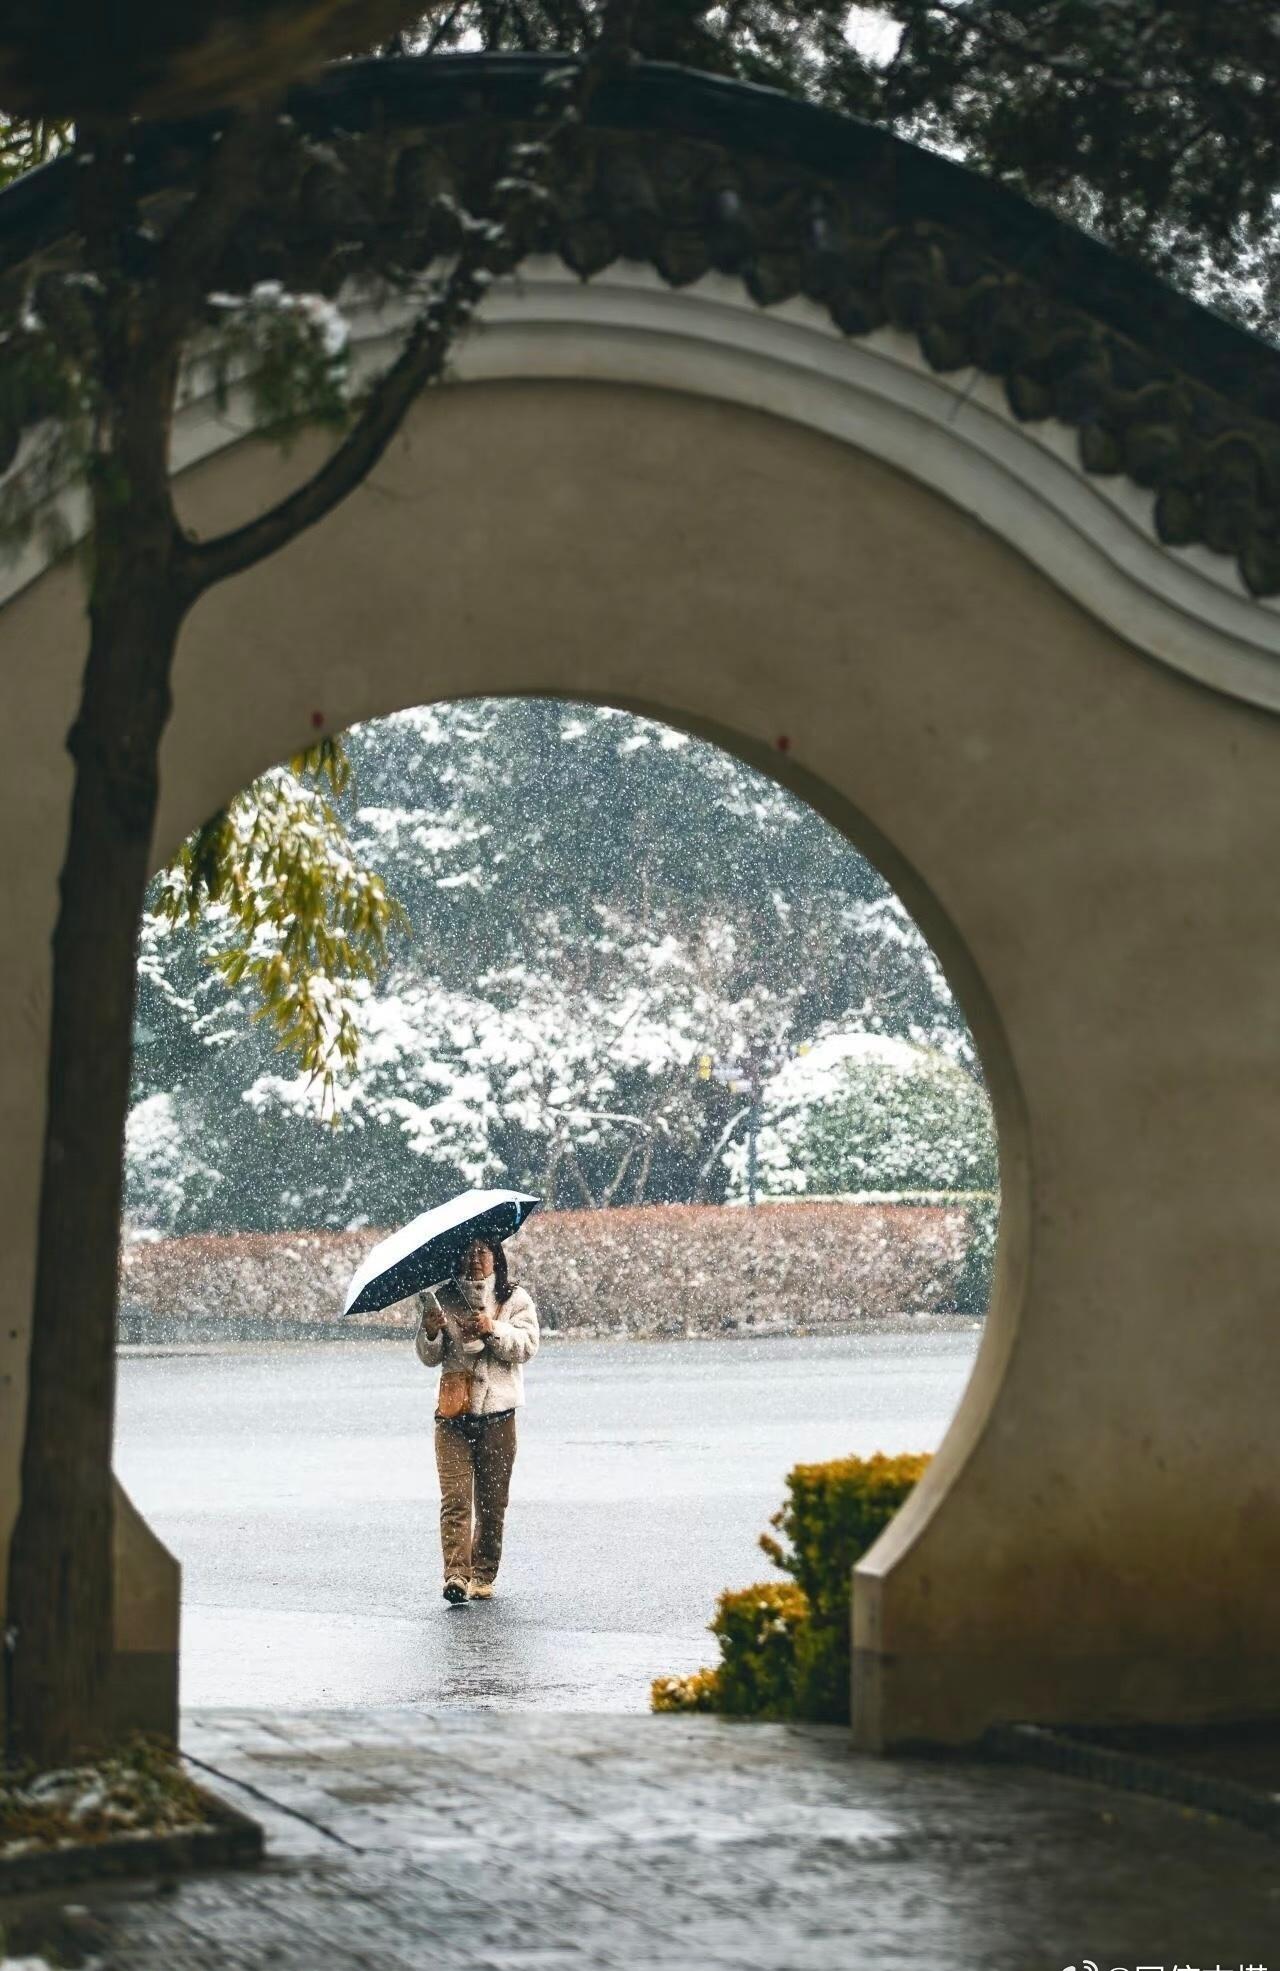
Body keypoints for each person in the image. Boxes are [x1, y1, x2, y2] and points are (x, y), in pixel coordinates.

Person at [414, 1236, 539, 1605]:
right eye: (467, 1253)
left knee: (492, 1502)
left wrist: (492, 1329)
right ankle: (456, 1575)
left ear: (496, 1257)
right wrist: (432, 1330)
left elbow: (528, 1346)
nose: (474, 1259)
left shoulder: (515, 1299)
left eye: (482, 1252)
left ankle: (483, 1574)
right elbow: (427, 1356)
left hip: (499, 1418)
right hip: (453, 1416)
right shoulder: (445, 1297)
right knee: (454, 1500)